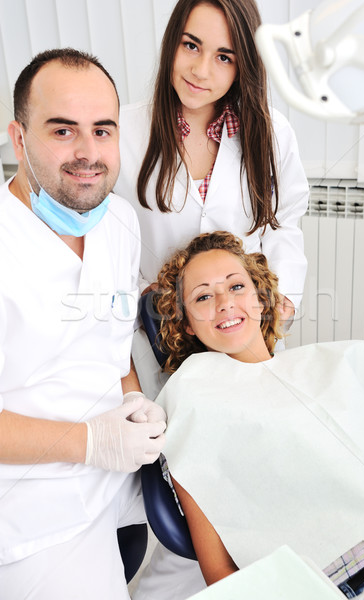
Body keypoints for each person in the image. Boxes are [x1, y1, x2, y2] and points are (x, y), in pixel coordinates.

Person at [0, 48, 166, 600]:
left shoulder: (118, 221)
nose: (88, 153)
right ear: (19, 138)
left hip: (115, 476)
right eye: (63, 130)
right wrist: (91, 443)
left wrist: (133, 402)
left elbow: (111, 343)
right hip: (34, 509)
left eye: (103, 130)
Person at [153, 231, 364, 599]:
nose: (223, 302)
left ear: (262, 299)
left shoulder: (326, 366)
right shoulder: (193, 396)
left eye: (236, 286)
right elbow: (219, 570)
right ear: (186, 322)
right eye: (203, 296)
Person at [115, 0, 309, 402]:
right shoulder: (121, 131)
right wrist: (140, 289)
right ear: (172, 44)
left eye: (224, 56)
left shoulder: (272, 133)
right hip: (161, 326)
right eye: (190, 45)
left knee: (256, 425)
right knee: (172, 438)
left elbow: (285, 217)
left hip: (244, 324)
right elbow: (105, 229)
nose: (201, 70)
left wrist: (283, 290)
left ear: (244, 66)